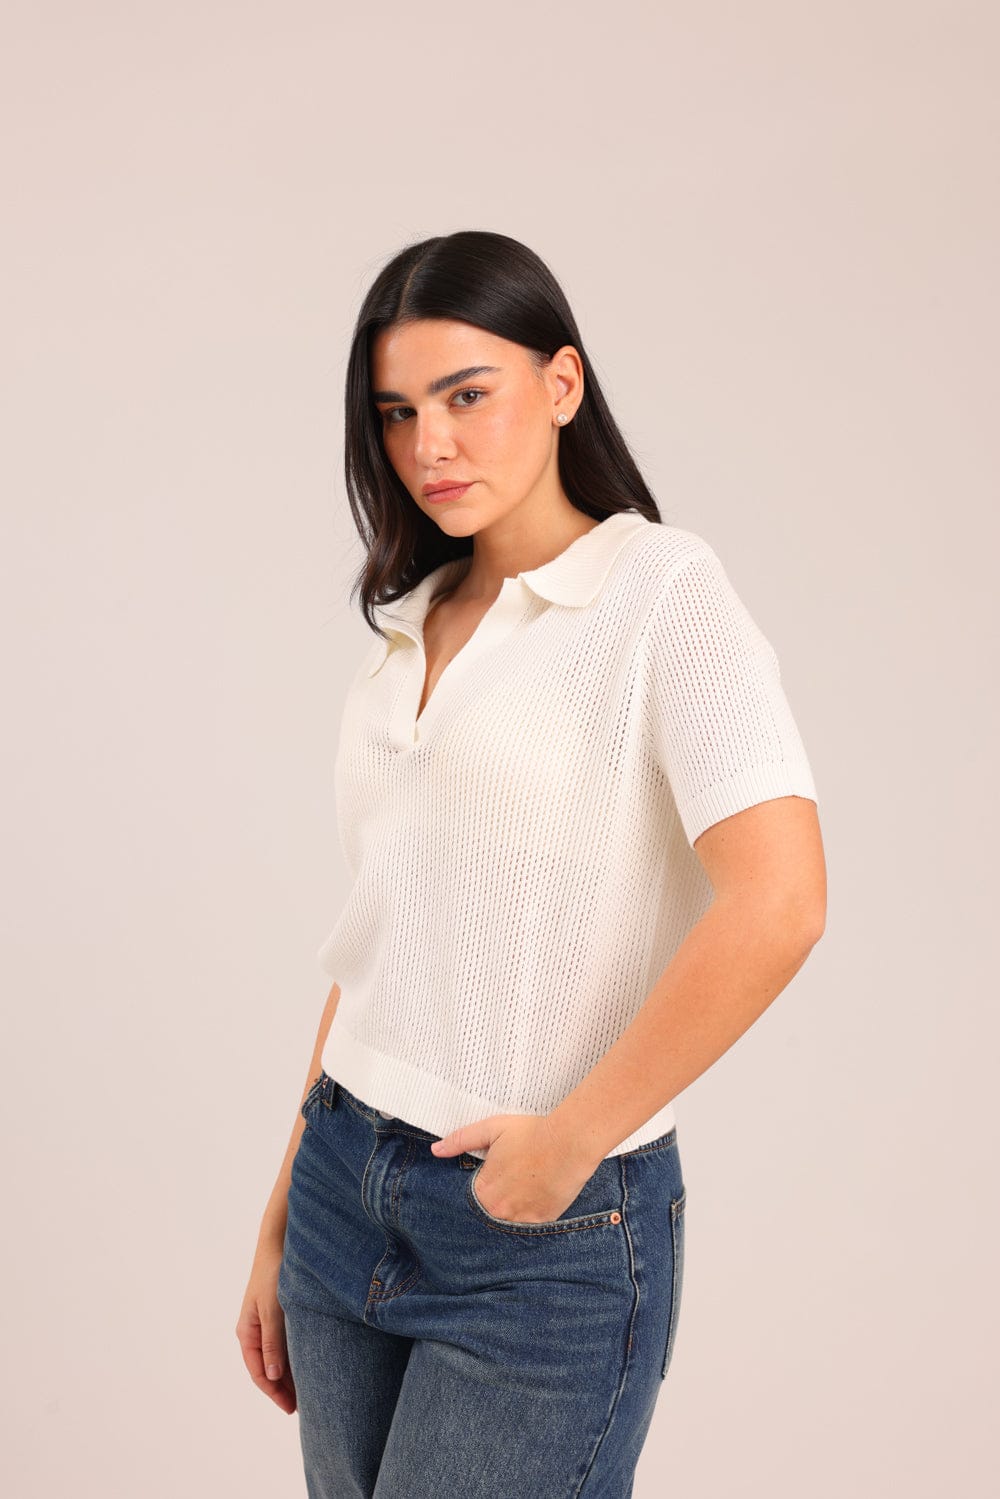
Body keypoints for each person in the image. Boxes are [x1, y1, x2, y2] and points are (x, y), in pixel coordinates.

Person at [236, 229, 826, 1498]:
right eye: (397, 412)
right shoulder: (415, 618)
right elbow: (381, 936)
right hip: (342, 1183)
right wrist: (284, 1203)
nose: (429, 445)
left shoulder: (659, 593)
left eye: (467, 395)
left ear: (561, 384)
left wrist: (569, 1142)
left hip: (541, 1238)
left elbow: (780, 900)